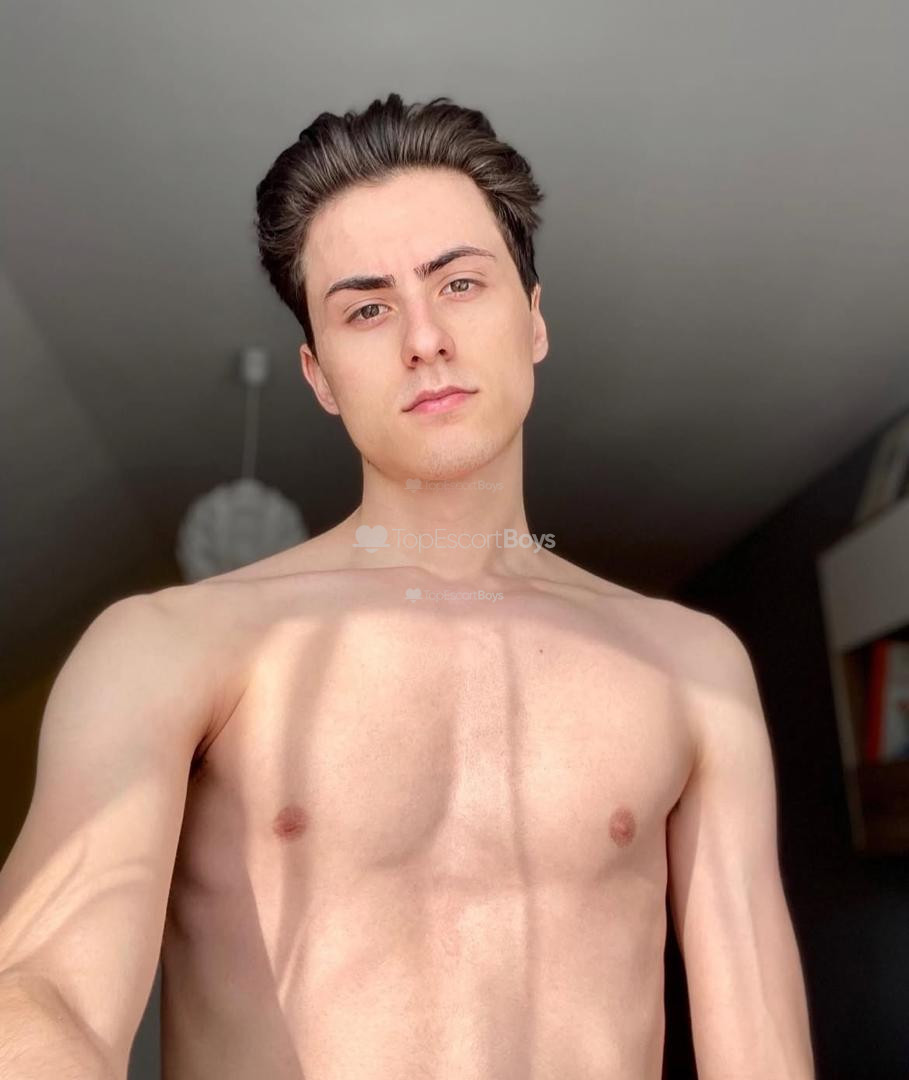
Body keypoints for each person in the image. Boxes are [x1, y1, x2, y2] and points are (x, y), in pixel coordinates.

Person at [0, 93, 815, 1079]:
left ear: (534, 320)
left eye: (459, 284)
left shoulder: (693, 667)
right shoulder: (167, 646)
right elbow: (42, 983)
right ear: (320, 375)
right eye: (368, 308)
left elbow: (763, 1056)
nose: (422, 338)